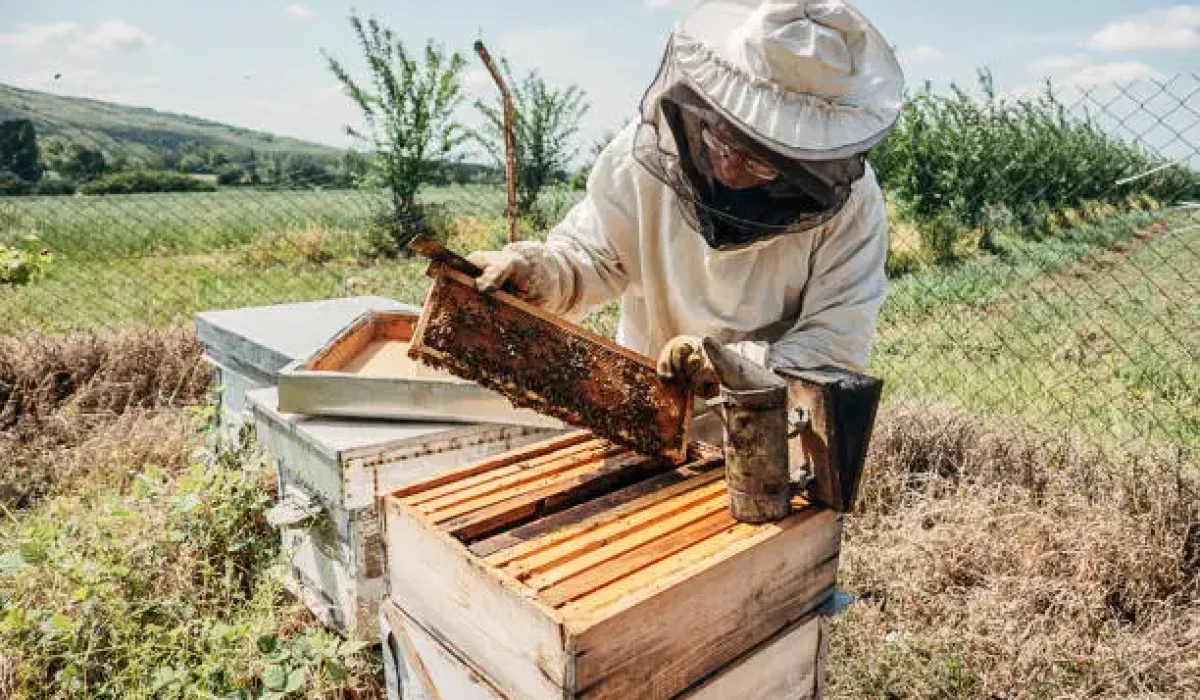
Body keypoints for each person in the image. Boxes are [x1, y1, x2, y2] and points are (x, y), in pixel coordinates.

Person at [468, 0, 904, 399]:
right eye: (722, 141)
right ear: (705, 109)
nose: (731, 168)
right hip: (648, 406)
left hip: (772, 427)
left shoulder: (853, 208)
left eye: (761, 162)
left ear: (805, 161)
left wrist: (731, 364)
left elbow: (834, 343)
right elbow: (592, 256)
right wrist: (540, 271)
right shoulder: (640, 158)